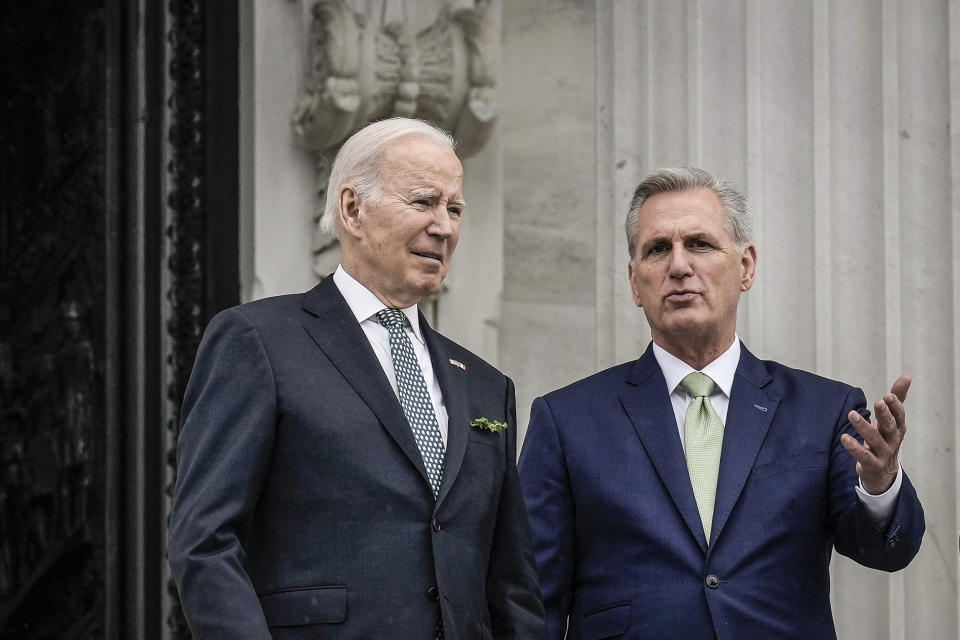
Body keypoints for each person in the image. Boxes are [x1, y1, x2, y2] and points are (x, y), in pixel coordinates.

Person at [169, 118, 546, 639]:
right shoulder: (258, 341)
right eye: (423, 202)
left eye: (454, 209)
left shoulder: (485, 385)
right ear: (352, 209)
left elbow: (512, 585)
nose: (445, 227)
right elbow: (205, 542)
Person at [518, 167, 924, 640]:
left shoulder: (824, 410)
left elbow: (886, 552)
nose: (678, 266)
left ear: (746, 266)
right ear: (634, 282)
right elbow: (532, 599)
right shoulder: (567, 420)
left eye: (699, 244)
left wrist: (879, 486)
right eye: (657, 250)